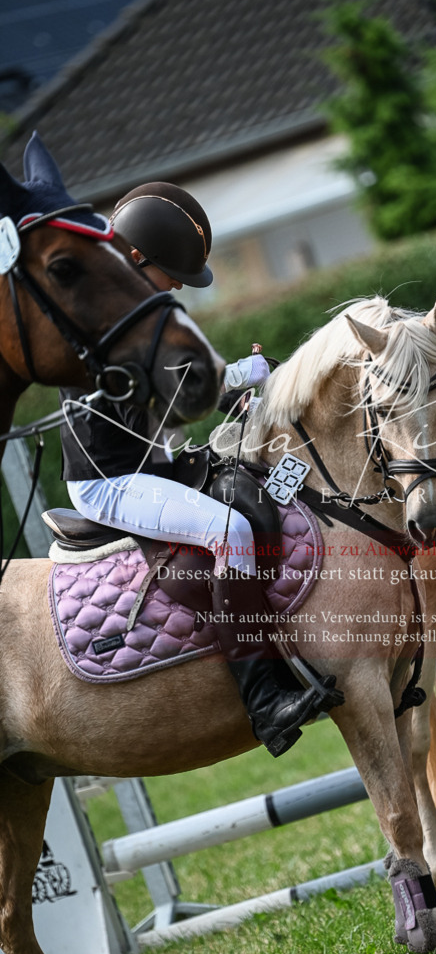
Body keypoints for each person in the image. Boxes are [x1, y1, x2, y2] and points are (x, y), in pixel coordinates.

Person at [60, 182, 337, 756]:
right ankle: (265, 701)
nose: (179, 288)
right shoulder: (98, 315)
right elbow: (179, 383)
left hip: (155, 460)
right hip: (110, 480)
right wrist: (251, 370)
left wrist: (250, 386)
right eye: (173, 275)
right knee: (229, 531)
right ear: (138, 259)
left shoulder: (140, 308)